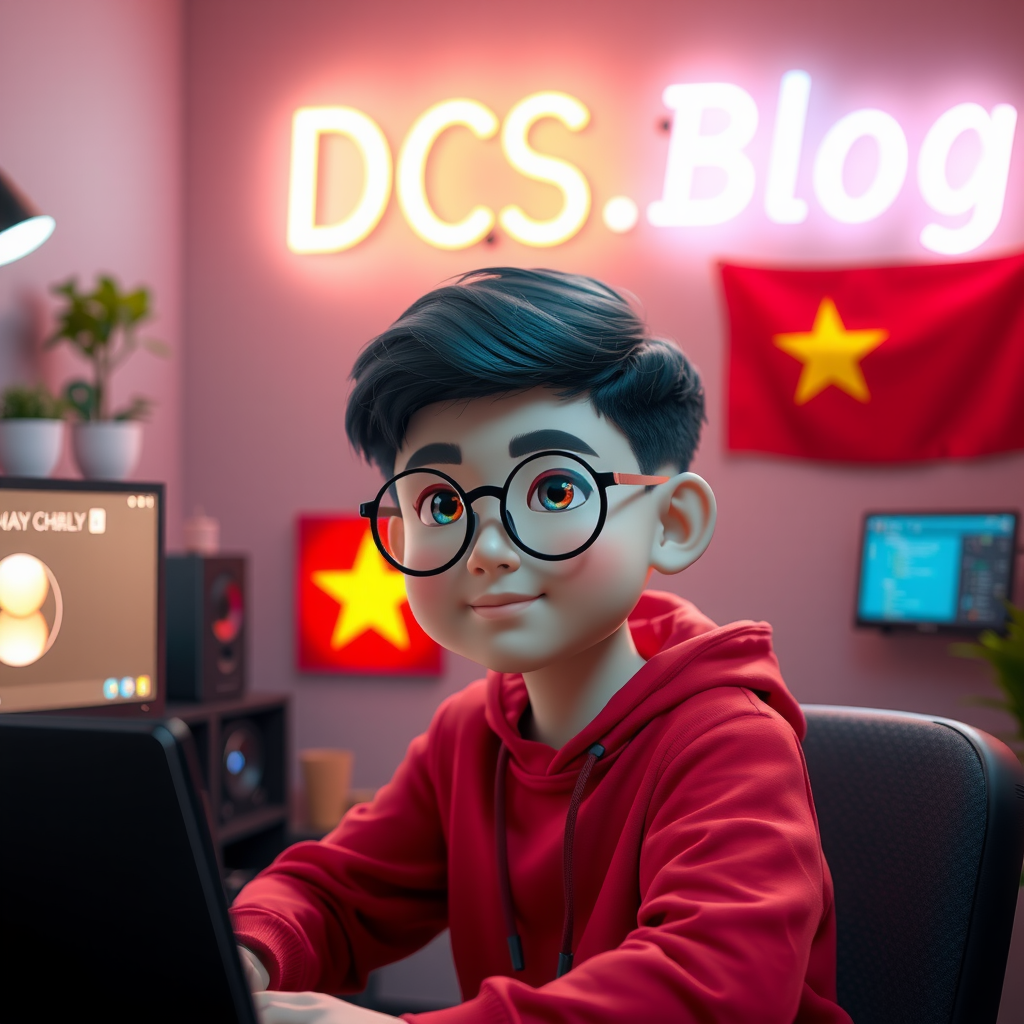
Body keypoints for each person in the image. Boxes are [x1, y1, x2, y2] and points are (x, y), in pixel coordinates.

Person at [231, 268, 852, 1024]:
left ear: (673, 521)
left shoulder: (730, 743)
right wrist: (245, 957)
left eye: (553, 491)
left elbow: (712, 990)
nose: (485, 547)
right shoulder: (468, 736)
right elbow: (332, 891)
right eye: (439, 501)